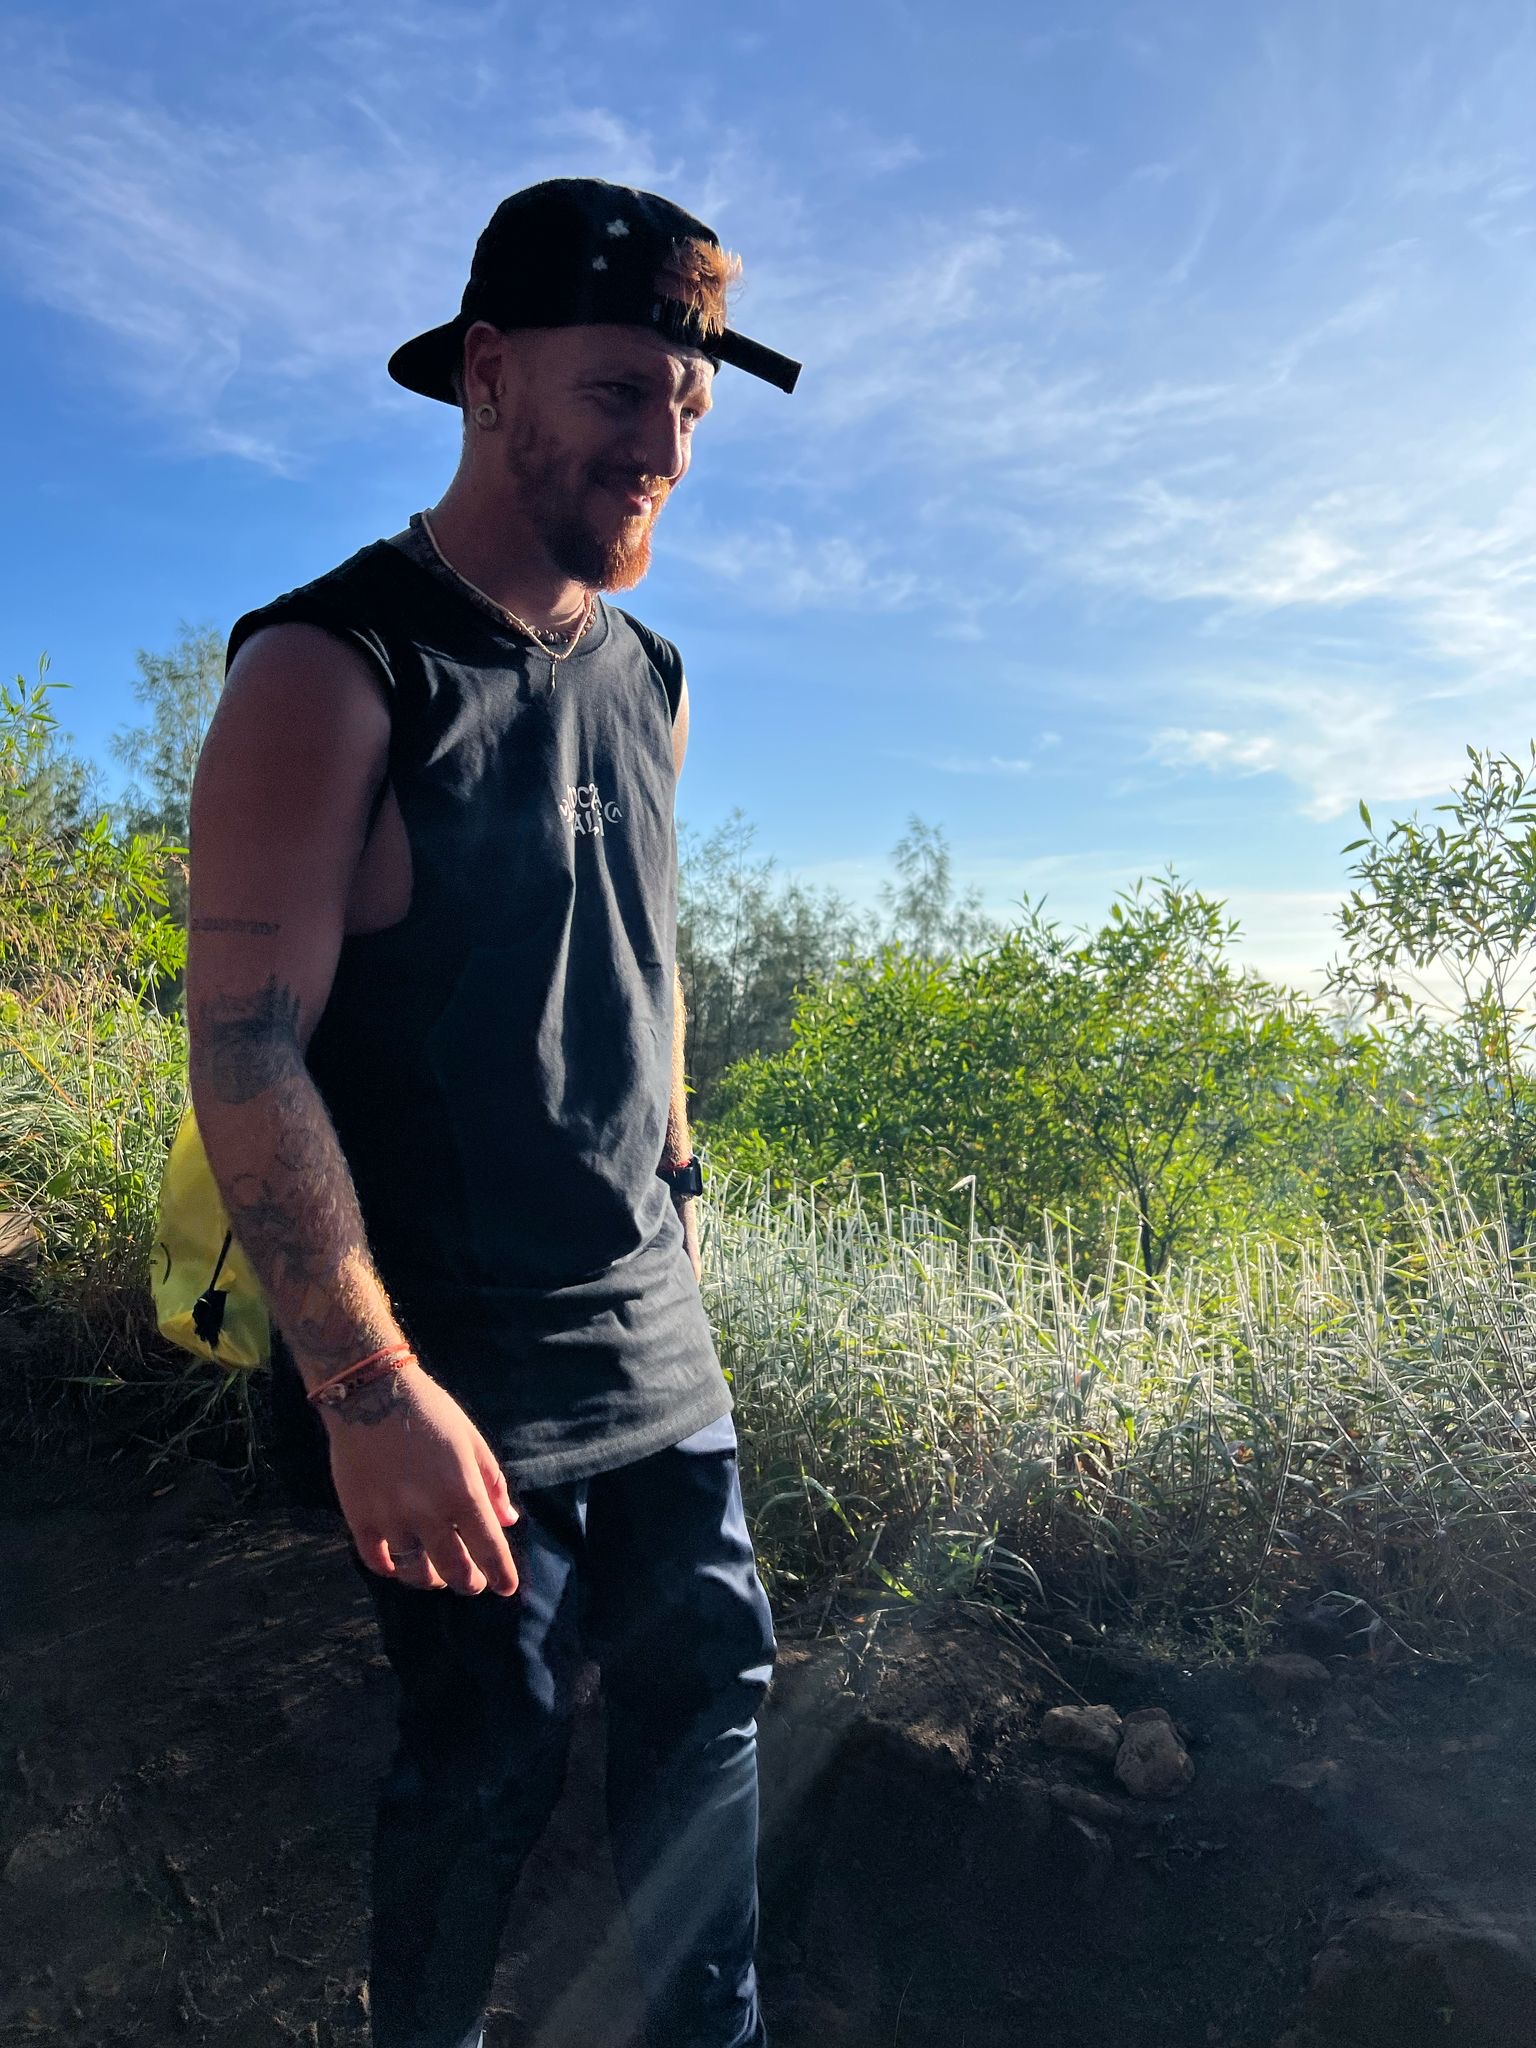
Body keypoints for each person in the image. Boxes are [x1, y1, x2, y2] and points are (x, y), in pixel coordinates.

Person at [185, 177, 802, 2048]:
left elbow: (644, 945)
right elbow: (247, 1051)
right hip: (442, 1346)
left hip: (649, 1324)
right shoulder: (331, 665)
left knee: (709, 1708)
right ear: (484, 371)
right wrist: (367, 1392)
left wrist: (673, 1161)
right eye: (619, 392)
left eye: (688, 407)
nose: (662, 449)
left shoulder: (654, 677)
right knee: (490, 1753)